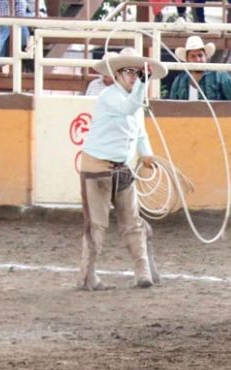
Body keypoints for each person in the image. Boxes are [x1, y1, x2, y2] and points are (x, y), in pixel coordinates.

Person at [78, 48, 168, 291]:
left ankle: (143, 273)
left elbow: (140, 132)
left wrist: (147, 153)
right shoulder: (110, 96)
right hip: (97, 167)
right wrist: (143, 82)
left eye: (136, 72)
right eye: (128, 72)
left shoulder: (134, 101)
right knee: (97, 224)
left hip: (121, 167)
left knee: (133, 222)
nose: (132, 77)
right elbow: (129, 109)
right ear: (117, 74)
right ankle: (88, 276)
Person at [168, 36, 231, 101]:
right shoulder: (179, 80)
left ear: (206, 56)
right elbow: (172, 108)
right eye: (193, 56)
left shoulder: (220, 76)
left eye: (200, 55)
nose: (198, 59)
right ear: (187, 59)